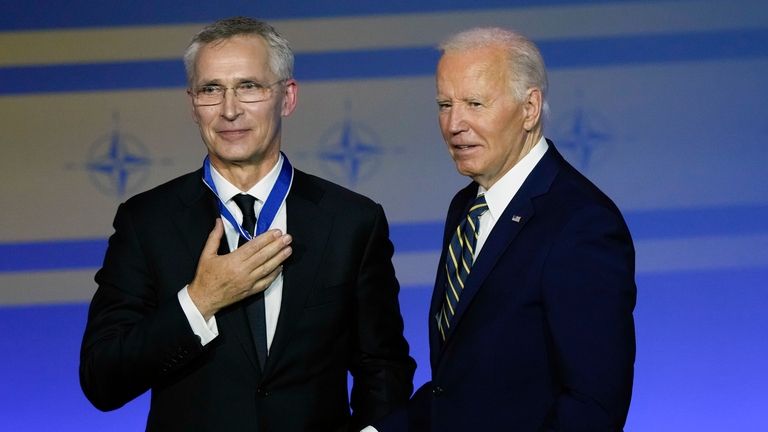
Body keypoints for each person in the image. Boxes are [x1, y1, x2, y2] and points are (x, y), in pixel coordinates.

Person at [80, 17, 415, 432]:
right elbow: (102, 379)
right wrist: (199, 301)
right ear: (192, 104)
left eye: (249, 87)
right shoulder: (146, 221)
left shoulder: (351, 221)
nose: (229, 110)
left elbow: (382, 367)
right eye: (211, 90)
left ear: (287, 97)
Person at [376, 27, 636, 431]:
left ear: (529, 108)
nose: (454, 123)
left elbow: (593, 405)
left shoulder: (582, 223)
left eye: (475, 103)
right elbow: (460, 386)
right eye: (445, 104)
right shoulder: (466, 206)